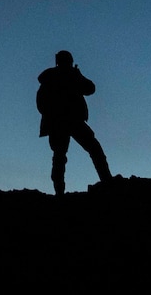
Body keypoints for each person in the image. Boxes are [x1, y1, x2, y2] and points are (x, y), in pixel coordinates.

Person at [37, 49, 113, 194]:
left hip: (61, 123)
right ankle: (106, 181)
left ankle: (60, 191)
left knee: (61, 156)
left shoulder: (51, 77)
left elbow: (90, 88)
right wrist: (77, 76)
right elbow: (90, 88)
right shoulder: (68, 76)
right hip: (68, 121)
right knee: (91, 150)